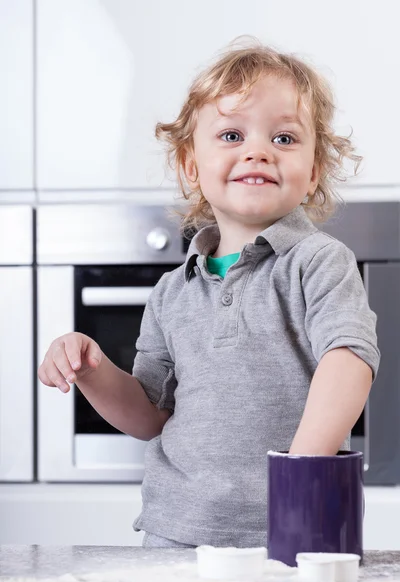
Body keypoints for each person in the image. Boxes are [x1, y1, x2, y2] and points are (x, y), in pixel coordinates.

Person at [38, 40, 380, 549]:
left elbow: (349, 358)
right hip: (175, 532)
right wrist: (94, 372)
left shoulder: (317, 261)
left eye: (284, 137)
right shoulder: (171, 293)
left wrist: (300, 483)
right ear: (191, 165)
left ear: (312, 173)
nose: (258, 150)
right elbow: (149, 416)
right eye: (231, 134)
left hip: (293, 530)